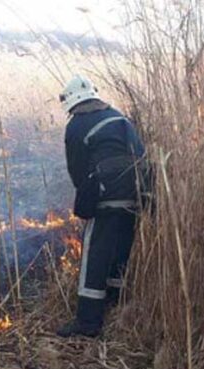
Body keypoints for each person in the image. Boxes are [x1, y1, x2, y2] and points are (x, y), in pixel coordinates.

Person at [55, 74, 152, 338]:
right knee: (120, 252)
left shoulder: (77, 125)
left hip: (105, 200)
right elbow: (142, 156)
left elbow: (77, 170)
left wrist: (87, 198)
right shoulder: (120, 118)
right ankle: (116, 305)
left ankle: (88, 323)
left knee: (94, 257)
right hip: (136, 197)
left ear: (71, 102)